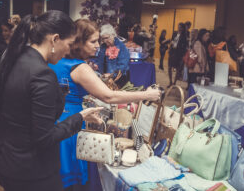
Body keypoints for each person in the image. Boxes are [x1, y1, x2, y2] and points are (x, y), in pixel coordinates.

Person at [0, 10, 103, 191]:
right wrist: (80, 117)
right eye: (68, 44)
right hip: (30, 170)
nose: (69, 49)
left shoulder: (14, 57)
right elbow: (44, 138)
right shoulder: (42, 75)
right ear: (55, 39)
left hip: (4, 158)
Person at [49, 19, 161, 190]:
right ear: (78, 42)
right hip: (71, 126)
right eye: (93, 41)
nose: (97, 46)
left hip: (57, 121)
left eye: (99, 41)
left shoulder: (56, 60)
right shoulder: (79, 67)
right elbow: (109, 96)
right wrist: (146, 94)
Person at [168, 22, 188, 87]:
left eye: (180, 27)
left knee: (178, 69)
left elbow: (184, 46)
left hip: (178, 53)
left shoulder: (184, 36)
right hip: (172, 51)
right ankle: (170, 81)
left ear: (183, 28)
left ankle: (174, 82)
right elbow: (172, 39)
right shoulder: (174, 33)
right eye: (178, 27)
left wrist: (182, 55)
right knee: (169, 67)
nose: (179, 28)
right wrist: (171, 44)